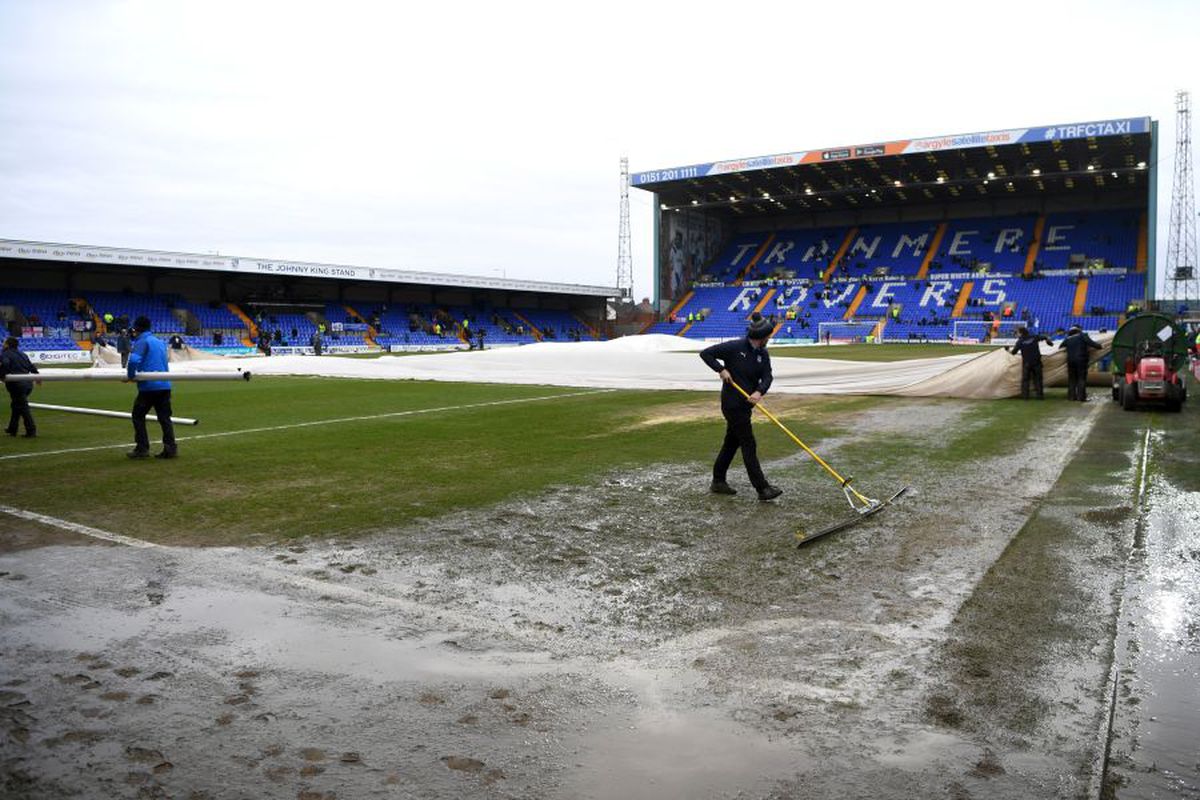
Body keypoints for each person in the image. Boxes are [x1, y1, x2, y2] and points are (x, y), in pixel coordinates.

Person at [699, 312, 782, 501]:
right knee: (748, 444)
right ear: (761, 337)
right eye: (768, 336)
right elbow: (706, 354)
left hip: (746, 405)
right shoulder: (735, 347)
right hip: (732, 404)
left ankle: (718, 481)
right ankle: (762, 488)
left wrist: (759, 391)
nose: (769, 339)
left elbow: (768, 376)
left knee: (731, 443)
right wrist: (721, 369)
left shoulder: (763, 354)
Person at [125, 316, 176, 459]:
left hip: (149, 386)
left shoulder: (142, 341)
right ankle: (170, 448)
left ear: (137, 328)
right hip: (164, 384)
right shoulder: (159, 342)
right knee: (165, 418)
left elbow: (134, 359)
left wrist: (130, 376)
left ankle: (142, 448)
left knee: (138, 416)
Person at [1, 337, 39, 437]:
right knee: (16, 406)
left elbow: (5, 364)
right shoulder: (23, 354)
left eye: (4, 343)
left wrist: (2, 376)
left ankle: (31, 430)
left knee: (23, 407)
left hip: (16, 385)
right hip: (28, 384)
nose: (2, 344)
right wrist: (38, 376)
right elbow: (31, 366)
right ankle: (12, 429)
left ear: (8, 344)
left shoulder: (5, 354)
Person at [1058, 325, 1103, 401]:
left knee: (1072, 379)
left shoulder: (1067, 339)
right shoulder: (1083, 336)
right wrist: (1100, 346)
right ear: (1078, 331)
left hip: (1070, 361)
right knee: (1081, 378)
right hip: (1081, 360)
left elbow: (1060, 347)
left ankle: (1071, 397)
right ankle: (1081, 397)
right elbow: (1091, 343)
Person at [1009, 326, 1052, 400]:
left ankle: (1025, 396)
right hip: (1037, 362)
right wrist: (1049, 341)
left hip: (1027, 363)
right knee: (1038, 379)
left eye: (1017, 333)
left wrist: (1007, 350)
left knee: (1026, 380)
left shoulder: (1020, 341)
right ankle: (1040, 396)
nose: (1017, 334)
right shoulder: (1034, 337)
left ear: (1021, 333)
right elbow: (1044, 337)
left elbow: (1013, 352)